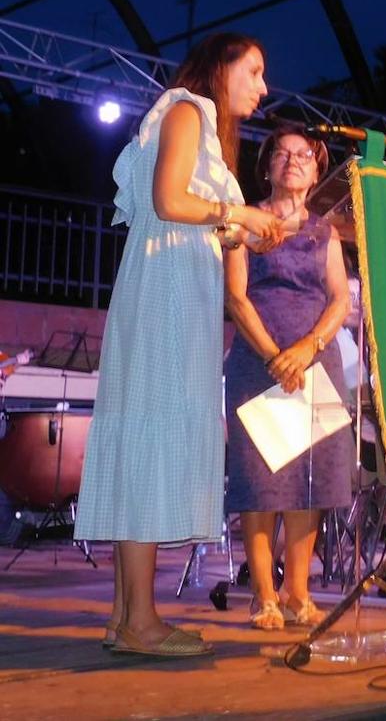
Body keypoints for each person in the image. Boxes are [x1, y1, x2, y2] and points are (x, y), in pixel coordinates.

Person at [75, 34, 283, 657]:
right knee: (151, 438)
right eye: (254, 70)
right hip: (165, 295)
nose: (263, 87)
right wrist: (240, 216)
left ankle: (125, 617)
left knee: (143, 436)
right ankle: (140, 621)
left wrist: (239, 229)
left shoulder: (193, 122)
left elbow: (184, 209)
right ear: (222, 67)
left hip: (169, 289)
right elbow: (169, 199)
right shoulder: (189, 108)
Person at [223, 126, 353, 630]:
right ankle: (263, 595)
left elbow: (339, 299)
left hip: (315, 362)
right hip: (259, 362)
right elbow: (236, 296)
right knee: (261, 483)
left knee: (308, 482)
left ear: (318, 171)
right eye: (281, 153)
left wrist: (306, 349)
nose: (292, 161)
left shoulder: (326, 232)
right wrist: (277, 355)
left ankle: (298, 591)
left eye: (303, 155)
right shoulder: (244, 222)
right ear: (267, 166)